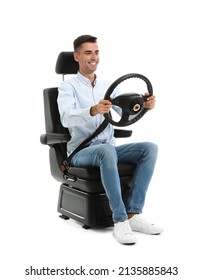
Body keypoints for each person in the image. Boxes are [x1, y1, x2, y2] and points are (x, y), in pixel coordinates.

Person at [57, 35, 163, 245]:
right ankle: (120, 219)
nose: (93, 57)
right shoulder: (67, 88)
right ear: (77, 57)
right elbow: (66, 118)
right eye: (88, 52)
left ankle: (133, 214)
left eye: (96, 52)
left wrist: (143, 106)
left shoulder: (108, 86)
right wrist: (93, 110)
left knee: (149, 148)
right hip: (81, 152)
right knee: (106, 151)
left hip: (107, 149)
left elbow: (126, 114)